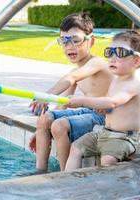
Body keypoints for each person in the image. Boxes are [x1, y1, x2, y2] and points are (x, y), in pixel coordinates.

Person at [28, 12, 113, 173]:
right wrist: (41, 131)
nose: (69, 47)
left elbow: (72, 77)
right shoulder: (77, 71)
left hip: (105, 117)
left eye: (76, 40)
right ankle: (39, 172)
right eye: (64, 41)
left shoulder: (97, 64)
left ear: (91, 41)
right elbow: (62, 105)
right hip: (89, 113)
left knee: (60, 126)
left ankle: (64, 175)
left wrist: (46, 96)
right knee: (45, 119)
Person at [65, 30, 140, 171]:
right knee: (75, 147)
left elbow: (112, 102)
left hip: (124, 137)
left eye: (120, 53)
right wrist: (103, 110)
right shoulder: (115, 81)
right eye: (110, 52)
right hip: (105, 132)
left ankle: (105, 189)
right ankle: (68, 181)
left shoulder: (132, 84)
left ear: (136, 61)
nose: (112, 58)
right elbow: (111, 107)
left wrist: (83, 101)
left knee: (107, 160)